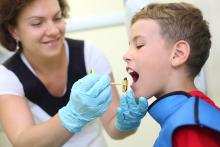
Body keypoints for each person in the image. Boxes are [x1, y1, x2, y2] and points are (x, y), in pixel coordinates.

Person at [0, 0, 149, 146]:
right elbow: (23, 142)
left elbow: (113, 129)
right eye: (37, 23)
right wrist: (73, 115)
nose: (53, 31)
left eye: (57, 18)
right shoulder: (7, 76)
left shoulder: (88, 54)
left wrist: (125, 122)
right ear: (13, 29)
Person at [118, 2, 220, 147]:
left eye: (139, 45)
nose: (126, 55)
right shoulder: (180, 120)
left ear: (178, 54)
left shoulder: (191, 127)